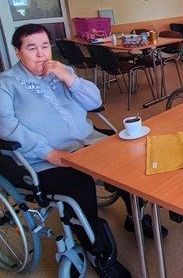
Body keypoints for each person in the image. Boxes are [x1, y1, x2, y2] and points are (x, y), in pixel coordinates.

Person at [0, 24, 163, 278]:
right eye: (32, 48)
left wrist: (70, 79)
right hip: (43, 158)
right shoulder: (6, 84)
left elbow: (95, 103)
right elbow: (8, 128)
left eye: (45, 46)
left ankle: (135, 215)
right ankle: (99, 253)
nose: (41, 54)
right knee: (80, 185)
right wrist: (49, 153)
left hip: (87, 140)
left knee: (129, 156)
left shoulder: (62, 71)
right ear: (18, 52)